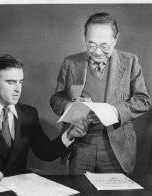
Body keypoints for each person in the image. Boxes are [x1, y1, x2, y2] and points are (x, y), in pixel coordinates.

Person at [50, 12, 151, 175]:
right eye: (91, 45)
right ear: (84, 38)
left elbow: (143, 100)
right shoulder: (71, 63)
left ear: (116, 39)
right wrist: (72, 107)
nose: (97, 52)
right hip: (80, 145)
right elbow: (56, 99)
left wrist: (113, 111)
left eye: (104, 46)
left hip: (116, 147)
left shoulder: (130, 61)